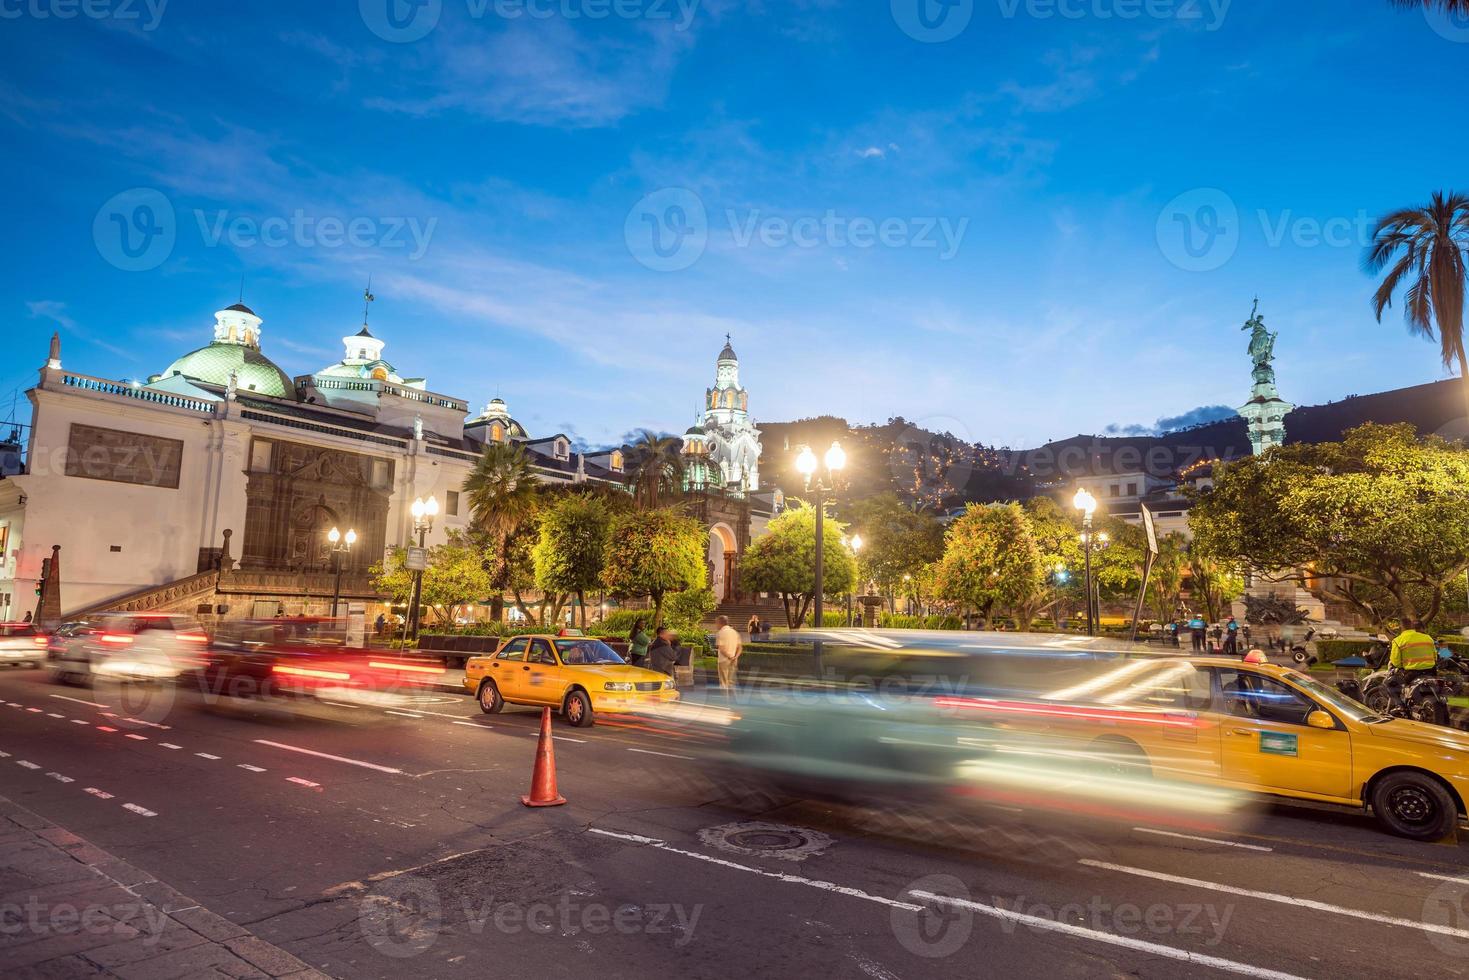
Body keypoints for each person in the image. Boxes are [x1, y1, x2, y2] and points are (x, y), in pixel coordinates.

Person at [1386, 619, 1438, 709]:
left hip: (1412, 674)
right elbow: (1435, 657)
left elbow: (1396, 662)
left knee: (1389, 684)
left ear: (1401, 628)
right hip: (1431, 672)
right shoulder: (1428, 638)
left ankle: (1400, 706)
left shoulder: (1398, 640)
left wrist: (1403, 665)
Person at [715, 614, 742, 693]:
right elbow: (740, 648)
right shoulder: (735, 632)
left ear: (720, 623)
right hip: (734, 660)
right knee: (731, 682)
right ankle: (732, 702)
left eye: (716, 623)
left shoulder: (720, 633)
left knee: (724, 683)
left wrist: (729, 656)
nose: (716, 625)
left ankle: (724, 702)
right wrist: (735, 657)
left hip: (724, 660)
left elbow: (721, 648)